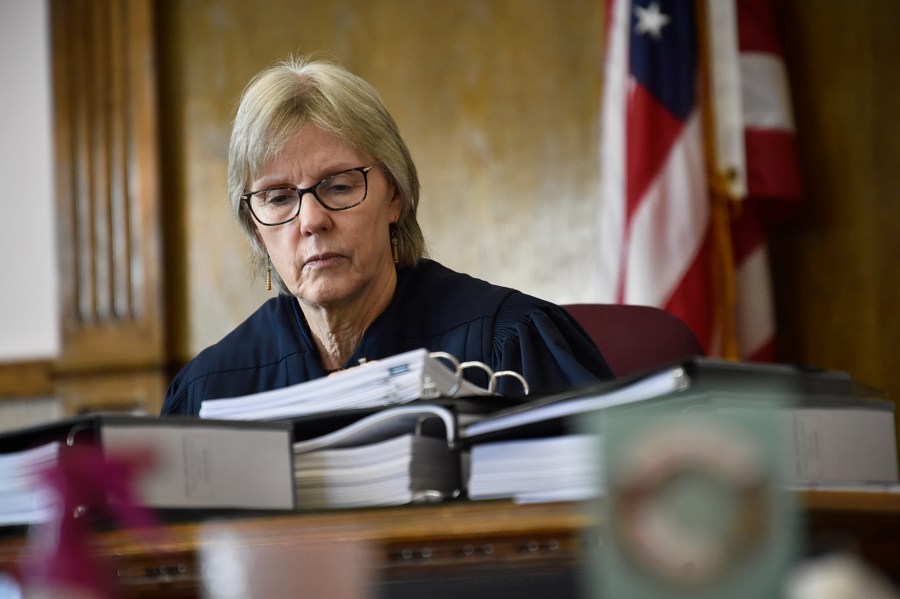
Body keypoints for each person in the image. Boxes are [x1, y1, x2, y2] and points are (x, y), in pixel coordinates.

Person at [161, 56, 613, 417]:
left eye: (339, 186)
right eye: (278, 198)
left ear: (394, 196)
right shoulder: (210, 391)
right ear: (257, 231)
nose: (312, 220)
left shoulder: (506, 343)